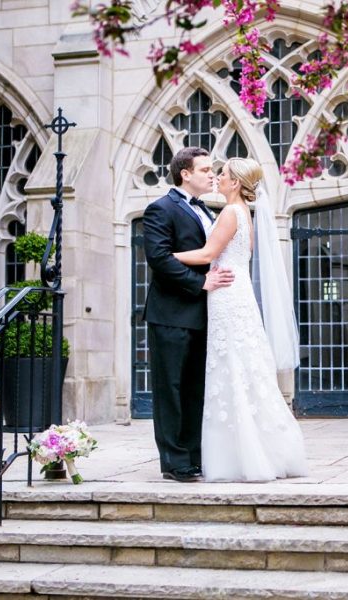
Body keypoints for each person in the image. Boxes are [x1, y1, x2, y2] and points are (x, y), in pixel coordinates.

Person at [173, 157, 308, 482]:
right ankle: (262, 450)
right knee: (246, 369)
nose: (217, 178)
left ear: (235, 183)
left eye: (223, 174)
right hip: (239, 295)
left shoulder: (230, 213)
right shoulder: (245, 215)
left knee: (230, 368)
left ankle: (240, 457)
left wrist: (166, 256)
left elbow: (206, 255)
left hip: (226, 297)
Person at [143, 146, 235, 483]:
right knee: (171, 389)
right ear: (185, 173)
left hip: (204, 315)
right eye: (205, 169)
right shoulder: (160, 209)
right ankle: (174, 462)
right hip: (171, 314)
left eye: (213, 170)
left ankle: (194, 456)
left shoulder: (207, 211)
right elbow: (159, 258)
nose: (212, 175)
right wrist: (201, 283)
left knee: (196, 389)